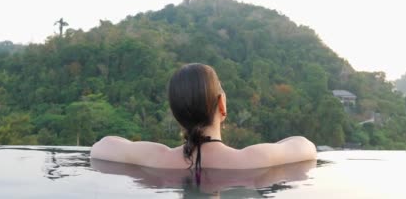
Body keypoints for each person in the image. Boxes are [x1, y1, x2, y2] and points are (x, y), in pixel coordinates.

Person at [91, 63, 316, 176]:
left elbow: (101, 147)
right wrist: (270, 152)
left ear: (176, 112)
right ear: (222, 105)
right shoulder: (251, 160)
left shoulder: (156, 159)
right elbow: (306, 146)